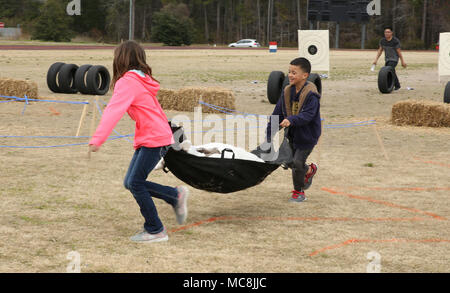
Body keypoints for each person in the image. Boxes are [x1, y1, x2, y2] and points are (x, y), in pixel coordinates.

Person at [88, 40, 189, 243]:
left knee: (135, 182)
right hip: (155, 136)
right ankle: (174, 195)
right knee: (131, 182)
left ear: (120, 59)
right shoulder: (142, 79)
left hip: (155, 138)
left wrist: (98, 139)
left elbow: (113, 110)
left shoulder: (127, 82)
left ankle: (155, 230)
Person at [265, 57, 321, 202]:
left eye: (294, 72)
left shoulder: (311, 94)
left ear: (305, 75)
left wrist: (291, 120)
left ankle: (299, 192)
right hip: (292, 134)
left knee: (297, 162)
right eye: (289, 71)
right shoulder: (287, 92)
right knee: (287, 160)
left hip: (307, 136)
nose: (290, 75)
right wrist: (269, 136)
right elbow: (277, 114)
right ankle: (309, 170)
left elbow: (307, 116)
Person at [373, 26, 407, 90]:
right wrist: (376, 60)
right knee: (391, 71)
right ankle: (397, 85)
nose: (387, 33)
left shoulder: (395, 41)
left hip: (394, 59)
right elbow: (380, 50)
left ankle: (389, 85)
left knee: (388, 71)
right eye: (385, 32)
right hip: (387, 59)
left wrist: (402, 61)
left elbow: (399, 52)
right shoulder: (382, 41)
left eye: (388, 32)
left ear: (391, 33)